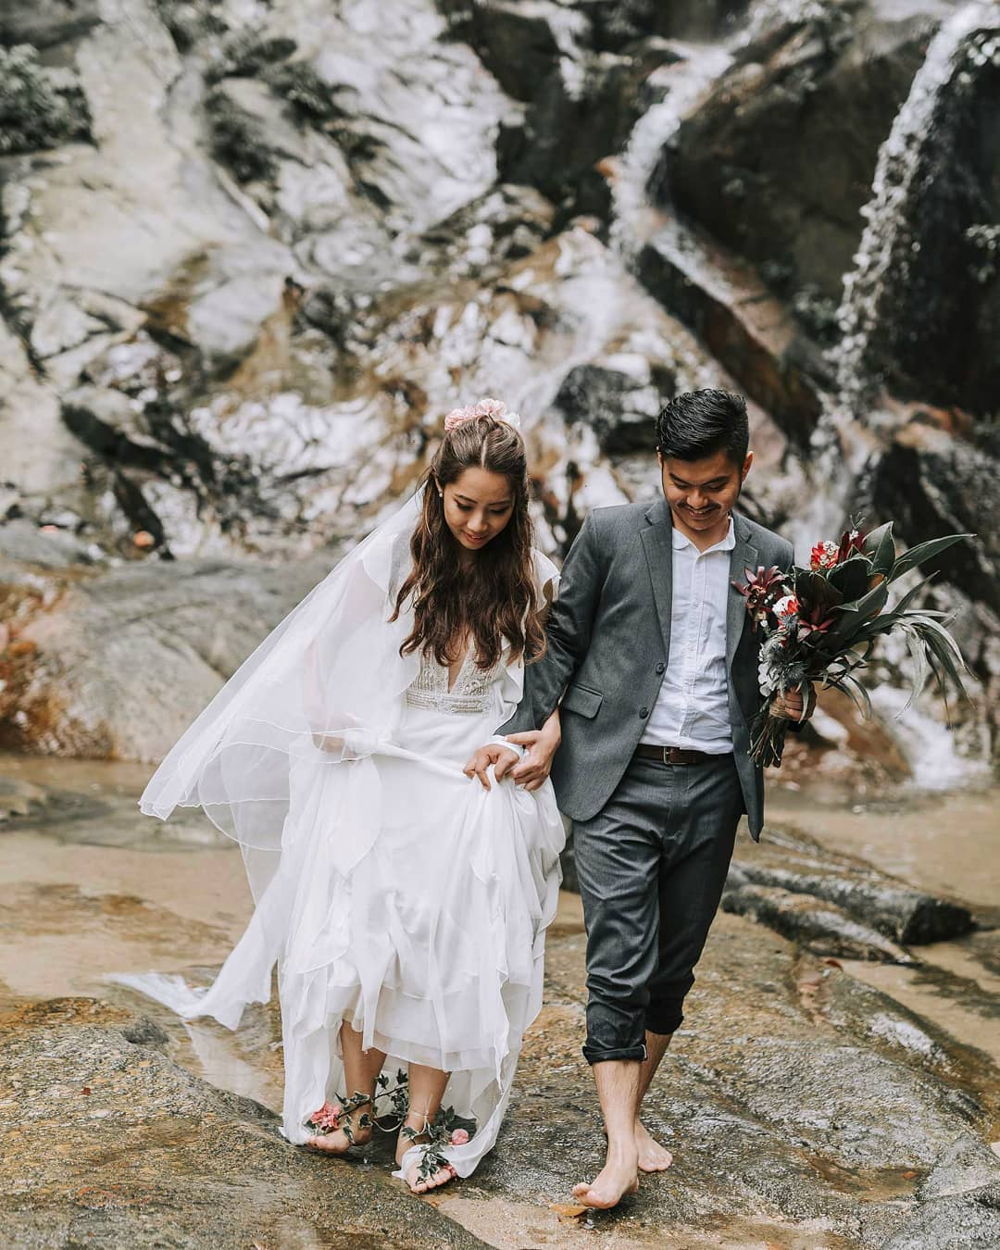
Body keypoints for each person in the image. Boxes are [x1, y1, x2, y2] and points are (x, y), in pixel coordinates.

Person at [122, 400, 564, 1194]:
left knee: (451, 944)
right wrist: (326, 714)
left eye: (497, 511)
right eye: (464, 506)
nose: (477, 524)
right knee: (368, 936)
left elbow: (563, 675)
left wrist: (548, 735)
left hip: (471, 774)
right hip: (385, 760)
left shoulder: (531, 576)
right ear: (437, 491)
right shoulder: (396, 555)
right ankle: (357, 1104)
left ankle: (423, 1122)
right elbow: (321, 643)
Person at [468, 389, 814, 1208]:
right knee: (619, 961)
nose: (696, 502)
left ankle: (630, 1119)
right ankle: (620, 1149)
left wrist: (797, 700)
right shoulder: (615, 534)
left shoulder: (775, 557)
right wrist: (529, 728)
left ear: (745, 470)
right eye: (679, 483)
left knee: (672, 972)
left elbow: (780, 671)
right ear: (659, 467)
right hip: (617, 775)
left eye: (715, 487)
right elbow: (562, 640)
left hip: (713, 786)